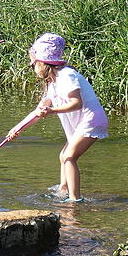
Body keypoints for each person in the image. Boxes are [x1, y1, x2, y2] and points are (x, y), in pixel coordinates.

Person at [8, 33, 108, 202]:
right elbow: (39, 111)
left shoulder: (66, 75)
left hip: (91, 120)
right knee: (63, 155)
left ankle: (75, 199)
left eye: (33, 63)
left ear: (43, 62)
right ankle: (63, 189)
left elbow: (76, 103)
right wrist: (17, 129)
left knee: (69, 156)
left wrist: (52, 111)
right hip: (82, 122)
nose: (31, 66)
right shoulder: (52, 82)